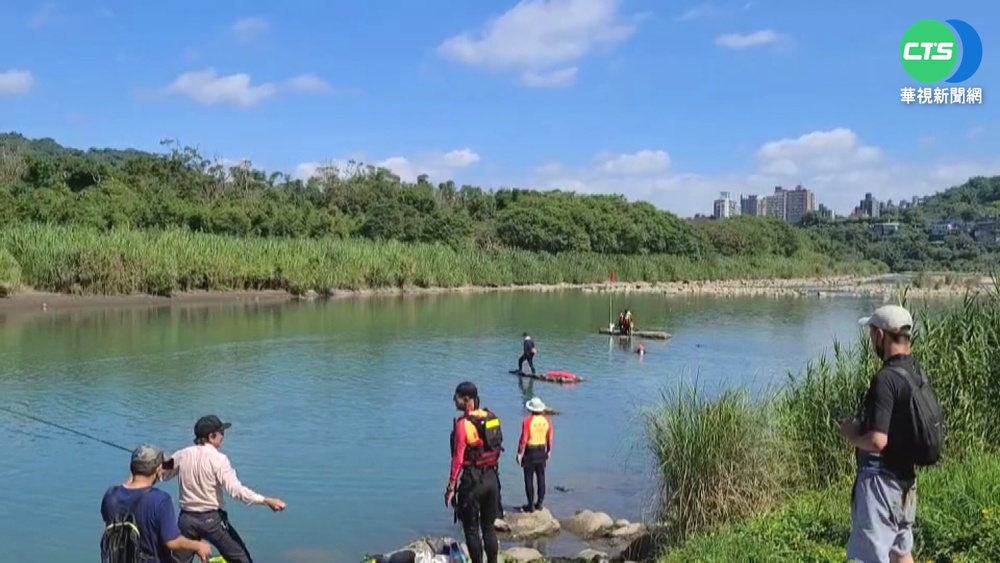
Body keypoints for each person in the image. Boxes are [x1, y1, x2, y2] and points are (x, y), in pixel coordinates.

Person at [840, 305, 929, 563]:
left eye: (871, 335)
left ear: (880, 336)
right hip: (906, 481)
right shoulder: (915, 373)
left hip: (880, 484)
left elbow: (878, 441)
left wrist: (852, 435)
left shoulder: (885, 379)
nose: (871, 341)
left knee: (868, 556)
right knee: (901, 551)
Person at [162, 415, 286, 563]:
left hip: (186, 520)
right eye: (221, 433)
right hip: (212, 521)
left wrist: (160, 461)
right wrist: (266, 500)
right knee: (242, 559)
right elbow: (236, 491)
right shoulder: (219, 459)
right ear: (211, 436)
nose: (223, 437)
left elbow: (162, 473)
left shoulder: (181, 455)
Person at [100, 444, 212, 563]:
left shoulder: (111, 495)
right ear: (158, 470)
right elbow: (172, 541)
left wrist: (135, 470)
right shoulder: (160, 500)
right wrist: (198, 546)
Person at [445, 382, 501, 563]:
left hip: (472, 481)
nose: (454, 400)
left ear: (467, 400)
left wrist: (451, 487)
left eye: (457, 397)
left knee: (471, 529)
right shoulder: (492, 417)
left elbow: (458, 459)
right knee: (489, 528)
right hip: (492, 478)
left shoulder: (463, 425)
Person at [516, 397, 553, 513]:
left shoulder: (527, 421)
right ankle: (540, 503)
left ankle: (531, 505)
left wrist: (519, 453)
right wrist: (549, 450)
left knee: (529, 479)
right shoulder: (547, 421)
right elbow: (550, 437)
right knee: (541, 477)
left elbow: (524, 438)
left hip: (530, 451)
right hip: (542, 450)